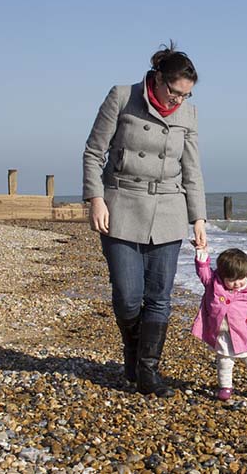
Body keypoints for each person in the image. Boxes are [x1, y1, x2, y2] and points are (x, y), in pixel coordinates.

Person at [82, 42, 207, 398]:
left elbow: (192, 170)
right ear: (158, 79)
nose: (179, 101)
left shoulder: (188, 115)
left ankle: (148, 370)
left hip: (169, 208)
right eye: (175, 92)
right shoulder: (123, 97)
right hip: (121, 204)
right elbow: (93, 152)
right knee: (127, 296)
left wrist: (198, 218)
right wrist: (95, 198)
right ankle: (132, 352)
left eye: (187, 94)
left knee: (159, 297)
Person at [190, 247, 247, 400]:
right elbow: (203, 272)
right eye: (231, 280)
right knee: (224, 362)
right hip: (223, 334)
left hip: (246, 334)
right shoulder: (213, 283)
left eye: (240, 279)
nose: (237, 284)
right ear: (222, 276)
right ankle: (225, 386)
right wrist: (202, 255)